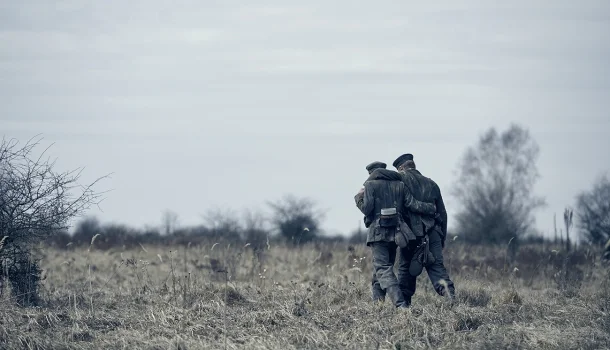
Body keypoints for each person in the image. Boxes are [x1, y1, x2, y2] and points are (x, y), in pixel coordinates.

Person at [354, 164, 436, 308]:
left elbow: (366, 209)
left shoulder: (370, 185)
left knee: (382, 268)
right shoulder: (399, 185)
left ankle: (400, 305)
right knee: (381, 268)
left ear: (372, 173)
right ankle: (377, 305)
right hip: (396, 233)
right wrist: (430, 208)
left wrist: (358, 197)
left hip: (378, 234)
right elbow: (412, 204)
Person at [391, 153, 456, 304]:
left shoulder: (399, 181)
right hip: (432, 234)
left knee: (405, 271)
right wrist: (442, 239)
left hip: (410, 235)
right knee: (437, 269)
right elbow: (443, 214)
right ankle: (450, 298)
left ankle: (404, 308)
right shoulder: (432, 184)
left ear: (401, 168)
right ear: (413, 166)